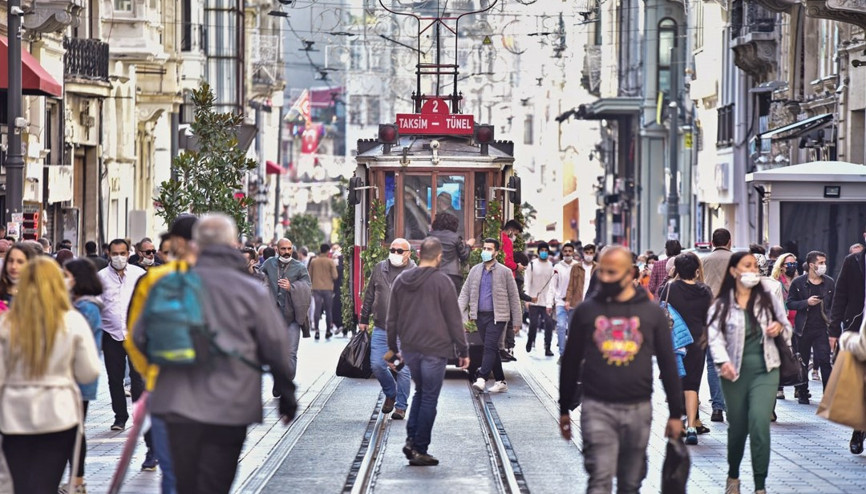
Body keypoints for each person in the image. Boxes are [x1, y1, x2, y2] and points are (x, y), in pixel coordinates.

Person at [136, 213, 298, 494]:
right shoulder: (249, 289)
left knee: (185, 482)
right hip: (230, 403)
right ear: (233, 244)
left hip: (176, 402)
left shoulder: (167, 284)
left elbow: (139, 338)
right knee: (216, 482)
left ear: (196, 243)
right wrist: (286, 392)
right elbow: (275, 344)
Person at [558, 245, 684, 493]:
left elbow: (668, 364)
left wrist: (675, 413)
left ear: (630, 274)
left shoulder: (651, 313)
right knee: (600, 479)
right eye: (602, 271)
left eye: (612, 272)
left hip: (638, 407)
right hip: (596, 406)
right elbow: (570, 362)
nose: (604, 278)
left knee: (630, 483)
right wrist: (564, 409)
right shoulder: (587, 311)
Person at [0, 257, 101, 494]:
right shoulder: (72, 321)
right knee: (46, 482)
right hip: (59, 411)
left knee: (20, 482)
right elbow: (89, 372)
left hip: (15, 412)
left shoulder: (7, 323)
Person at [707, 252, 793, 494]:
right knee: (738, 428)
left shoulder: (768, 298)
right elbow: (714, 337)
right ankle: (733, 475)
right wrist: (722, 362)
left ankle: (760, 486)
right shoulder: (722, 304)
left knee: (759, 424)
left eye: (755, 266)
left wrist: (779, 328)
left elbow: (786, 327)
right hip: (734, 372)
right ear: (734, 271)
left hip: (767, 369)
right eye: (747, 266)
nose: (753, 270)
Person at [126, 214, 199, 493]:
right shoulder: (225, 280)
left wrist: (151, 372)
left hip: (166, 386)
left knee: (172, 472)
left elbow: (136, 336)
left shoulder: (154, 279)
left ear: (176, 241)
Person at [386, 236, 469, 466]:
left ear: (419, 254)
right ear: (439, 257)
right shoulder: (443, 282)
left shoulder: (402, 280)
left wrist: (392, 352)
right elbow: (454, 320)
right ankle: (419, 447)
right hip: (435, 349)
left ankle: (412, 440)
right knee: (429, 397)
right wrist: (463, 350)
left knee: (420, 392)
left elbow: (391, 320)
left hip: (411, 350)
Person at [658, 252, 713, 445]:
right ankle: (691, 426)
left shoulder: (669, 288)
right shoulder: (705, 290)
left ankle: (679, 422)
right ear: (697, 270)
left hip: (675, 343)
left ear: (677, 270)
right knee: (692, 386)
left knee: (677, 383)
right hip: (698, 342)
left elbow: (661, 308)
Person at [359, 238, 416, 420]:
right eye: (393, 250)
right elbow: (369, 294)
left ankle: (400, 406)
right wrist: (363, 318)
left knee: (403, 369)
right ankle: (390, 392)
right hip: (382, 328)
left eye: (400, 251)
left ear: (408, 253)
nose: (396, 254)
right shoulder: (379, 268)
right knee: (377, 364)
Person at [63, 258, 105, 494]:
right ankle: (75, 480)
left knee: (75, 431)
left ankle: (77, 481)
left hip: (78, 380)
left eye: (67, 275)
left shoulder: (86, 308)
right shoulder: (76, 304)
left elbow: (87, 348)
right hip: (73, 380)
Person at [459, 238, 523, 393]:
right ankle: (501, 381)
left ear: (496, 252)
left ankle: (482, 378)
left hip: (498, 316)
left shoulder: (505, 272)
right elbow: (465, 293)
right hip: (480, 316)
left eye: (489, 249)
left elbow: (514, 296)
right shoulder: (475, 270)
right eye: (484, 248)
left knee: (488, 346)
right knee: (492, 347)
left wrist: (517, 321)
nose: (485, 251)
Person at [97, 240, 147, 432]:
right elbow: (97, 304)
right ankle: (120, 417)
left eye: (123, 253)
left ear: (129, 253)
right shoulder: (101, 277)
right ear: (109, 254)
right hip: (111, 334)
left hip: (135, 334)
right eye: (115, 253)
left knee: (137, 378)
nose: (119, 257)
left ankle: (138, 414)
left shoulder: (138, 274)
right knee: (114, 378)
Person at [829, 225, 866, 455]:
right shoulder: (853, 262)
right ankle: (858, 430)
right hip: (856, 330)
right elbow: (840, 294)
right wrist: (834, 329)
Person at [260, 238, 312, 382]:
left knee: (291, 353)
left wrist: (292, 288)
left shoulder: (299, 267)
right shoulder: (269, 264)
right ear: (277, 250)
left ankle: (286, 383)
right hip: (273, 318)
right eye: (283, 249)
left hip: (292, 318)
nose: (287, 252)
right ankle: (279, 381)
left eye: (289, 249)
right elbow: (257, 278)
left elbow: (307, 287)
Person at [787, 250, 835, 405]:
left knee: (824, 360)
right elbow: (790, 303)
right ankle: (802, 392)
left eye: (824, 262)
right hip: (803, 328)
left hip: (822, 328)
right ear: (811, 265)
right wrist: (806, 302)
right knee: (802, 361)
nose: (823, 265)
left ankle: (828, 395)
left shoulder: (829, 282)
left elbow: (834, 305)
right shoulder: (798, 283)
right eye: (820, 263)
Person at [701, 227, 733, 423]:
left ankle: (717, 408)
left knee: (712, 363)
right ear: (729, 241)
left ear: (712, 242)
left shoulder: (703, 261)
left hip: (709, 315)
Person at [769, 252, 798, 401]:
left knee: (796, 354)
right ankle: (779, 388)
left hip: (797, 321)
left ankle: (798, 385)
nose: (792, 266)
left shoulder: (798, 281)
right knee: (781, 353)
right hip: (782, 322)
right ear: (781, 266)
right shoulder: (775, 282)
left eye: (794, 263)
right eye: (789, 264)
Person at [563, 243, 597, 357]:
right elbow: (571, 285)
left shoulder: (598, 268)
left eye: (591, 253)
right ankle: (571, 353)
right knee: (573, 329)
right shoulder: (576, 267)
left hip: (591, 304)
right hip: (576, 303)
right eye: (587, 253)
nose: (588, 255)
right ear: (583, 253)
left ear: (594, 254)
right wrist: (568, 300)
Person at [429, 212, 474, 292]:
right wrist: (468, 245)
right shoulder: (455, 237)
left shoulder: (430, 236)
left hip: (433, 273)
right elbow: (464, 256)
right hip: (452, 275)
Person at [524, 241, 555, 355]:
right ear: (538, 252)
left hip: (546, 301)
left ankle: (548, 347)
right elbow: (527, 282)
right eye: (542, 250)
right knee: (533, 324)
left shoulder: (551, 266)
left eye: (546, 251)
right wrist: (527, 298)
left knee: (548, 324)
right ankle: (530, 339)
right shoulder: (532, 264)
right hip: (533, 299)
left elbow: (552, 285)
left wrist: (551, 301)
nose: (544, 253)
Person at [550, 243, 577, 358]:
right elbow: (552, 286)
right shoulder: (557, 267)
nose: (567, 253)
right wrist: (550, 302)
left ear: (573, 252)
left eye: (570, 251)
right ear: (562, 252)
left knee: (572, 328)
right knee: (561, 326)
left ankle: (571, 352)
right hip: (560, 301)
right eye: (565, 251)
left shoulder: (578, 266)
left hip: (575, 303)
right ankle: (562, 353)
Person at [308, 243, 338, 340]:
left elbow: (309, 275)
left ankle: (316, 331)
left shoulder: (313, 261)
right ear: (328, 251)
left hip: (316, 288)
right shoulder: (330, 262)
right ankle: (328, 331)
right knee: (328, 310)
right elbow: (335, 276)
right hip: (328, 288)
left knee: (317, 309)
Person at [0, 242, 42, 308]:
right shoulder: (2, 291)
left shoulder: (38, 295)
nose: (13, 266)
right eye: (10, 261)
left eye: (20, 262)